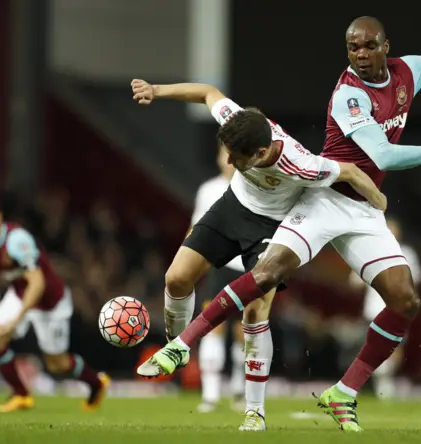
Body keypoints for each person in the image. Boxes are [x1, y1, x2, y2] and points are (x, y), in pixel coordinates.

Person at [143, 18, 421, 432]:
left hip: (361, 210)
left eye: (368, 46)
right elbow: (380, 157)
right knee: (267, 274)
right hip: (323, 202)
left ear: (387, 45)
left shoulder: (408, 72)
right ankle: (182, 346)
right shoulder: (350, 95)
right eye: (352, 48)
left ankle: (344, 392)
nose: (361, 55)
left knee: (406, 301)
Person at [131, 79, 387, 431]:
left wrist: (379, 204)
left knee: (256, 309)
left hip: (271, 230)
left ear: (262, 154)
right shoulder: (240, 122)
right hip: (231, 210)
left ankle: (254, 411)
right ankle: (179, 346)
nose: (230, 163)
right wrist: (157, 91)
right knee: (176, 277)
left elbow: (351, 171)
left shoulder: (302, 165)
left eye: (237, 158)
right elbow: (208, 93)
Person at [0, 192, 110, 413]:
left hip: (49, 302)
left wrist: (15, 320)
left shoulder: (16, 240)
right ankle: (22, 395)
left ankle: (96, 382)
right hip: (19, 295)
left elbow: (37, 282)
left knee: (57, 363)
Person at [192, 146, 246, 413]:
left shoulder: (256, 186)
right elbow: (196, 230)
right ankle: (210, 394)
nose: (229, 160)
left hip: (248, 267)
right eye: (225, 154)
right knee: (213, 326)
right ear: (218, 157)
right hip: (218, 266)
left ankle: (239, 390)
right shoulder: (208, 190)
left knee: (244, 333)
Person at [348, 217, 421, 399]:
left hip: (397, 307)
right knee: (375, 345)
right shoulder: (369, 252)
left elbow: (417, 278)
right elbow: (354, 282)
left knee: (395, 346)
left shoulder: (407, 253)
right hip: (373, 308)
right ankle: (380, 380)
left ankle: (383, 377)